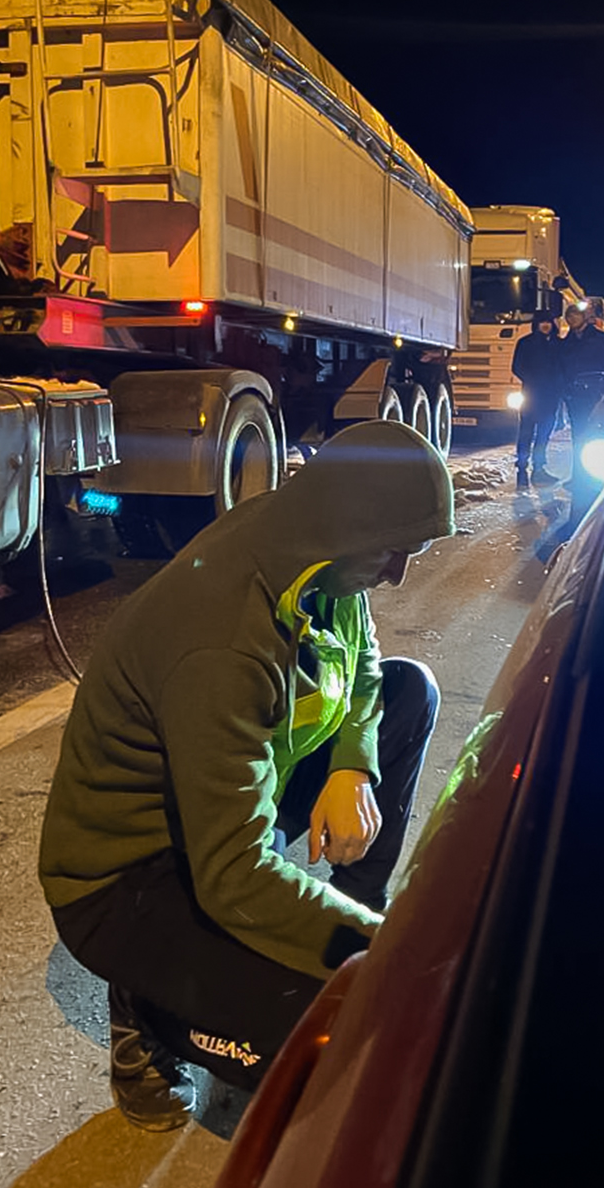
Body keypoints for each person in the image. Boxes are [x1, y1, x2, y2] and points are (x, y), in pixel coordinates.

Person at [38, 420, 454, 1131]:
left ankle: (344, 914)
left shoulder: (314, 552)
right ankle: (150, 1012)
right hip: (133, 876)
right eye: (392, 551)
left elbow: (364, 663)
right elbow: (235, 875)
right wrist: (385, 954)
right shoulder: (224, 640)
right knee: (333, 1042)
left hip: (230, 805)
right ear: (344, 522)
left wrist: (351, 768)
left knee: (408, 690)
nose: (396, 575)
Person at [559, 303, 604, 483]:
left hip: (595, 395)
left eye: (575, 316)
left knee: (594, 435)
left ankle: (594, 475)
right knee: (577, 436)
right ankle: (578, 475)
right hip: (575, 395)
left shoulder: (600, 339)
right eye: (569, 317)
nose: (571, 320)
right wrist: (566, 390)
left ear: (584, 317)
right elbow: (562, 368)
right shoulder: (567, 342)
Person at [511, 314, 565, 488]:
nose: (545, 325)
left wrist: (558, 384)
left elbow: (563, 367)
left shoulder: (558, 344)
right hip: (531, 394)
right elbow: (517, 367)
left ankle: (539, 468)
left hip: (550, 396)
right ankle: (521, 467)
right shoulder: (525, 342)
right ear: (536, 324)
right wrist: (533, 380)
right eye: (542, 322)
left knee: (543, 434)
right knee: (526, 432)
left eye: (548, 322)